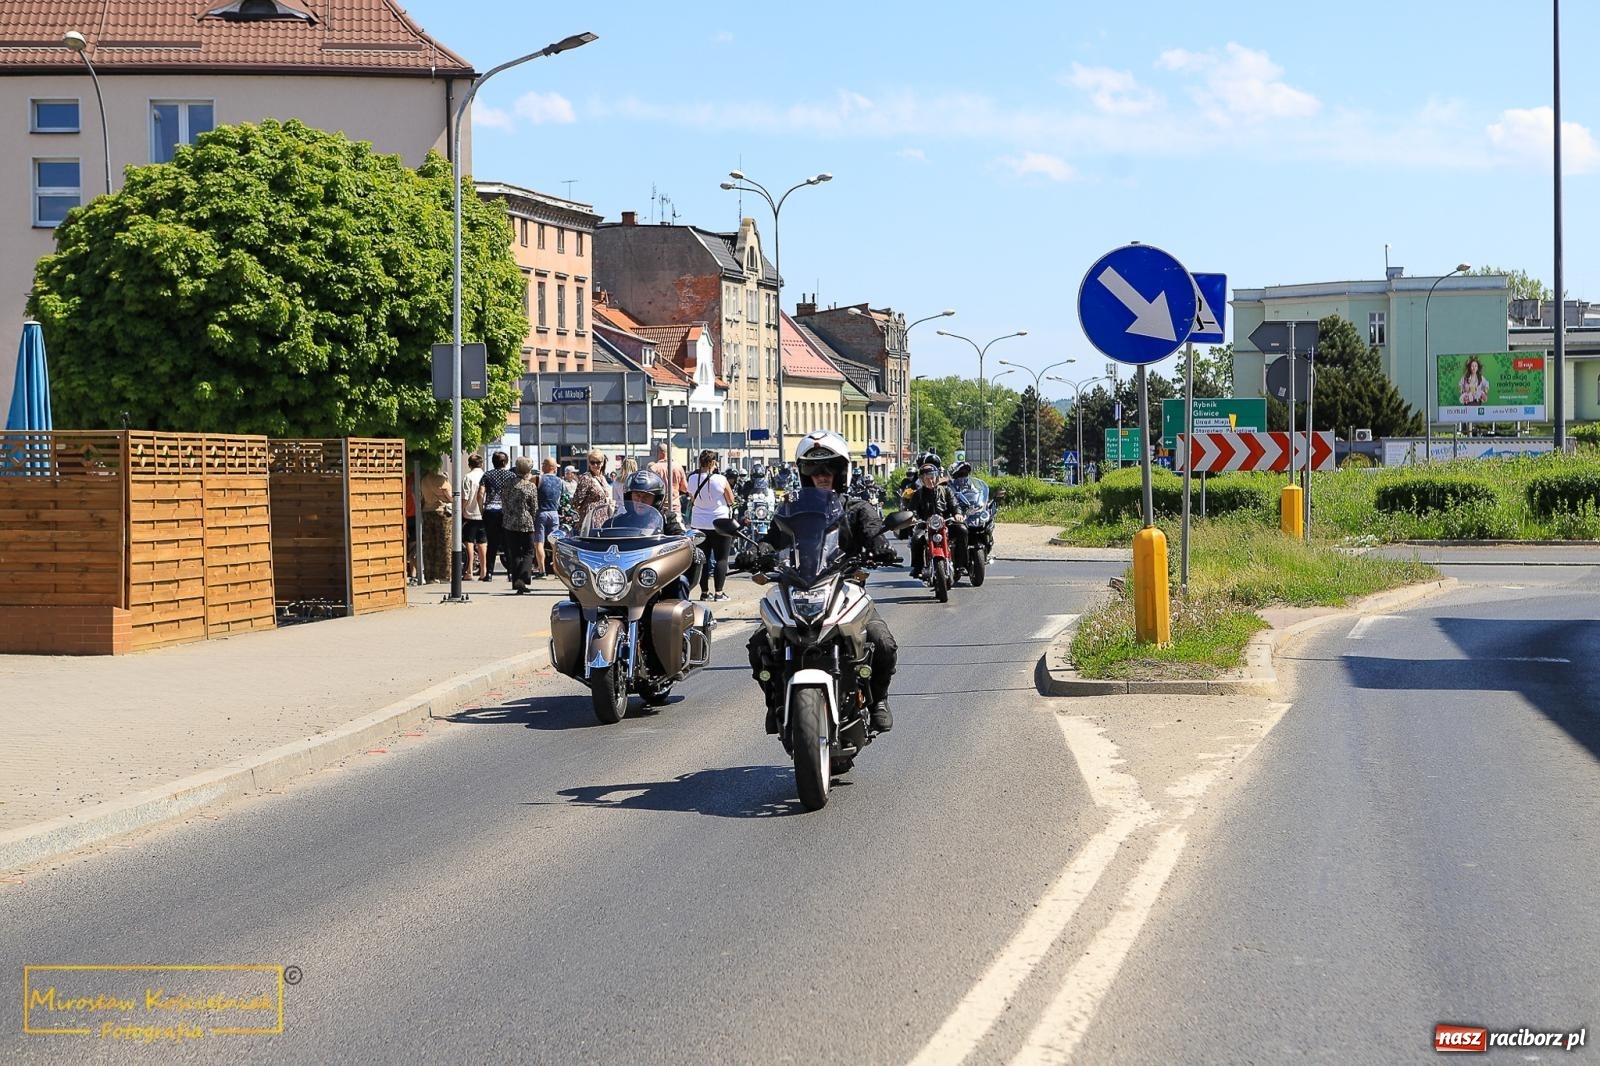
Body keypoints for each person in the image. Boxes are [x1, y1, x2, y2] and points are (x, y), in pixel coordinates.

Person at [746, 430, 898, 735]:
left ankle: (878, 699)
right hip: (800, 586)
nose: (822, 475)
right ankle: (775, 700)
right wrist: (757, 551)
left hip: (846, 587)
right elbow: (772, 538)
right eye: (814, 469)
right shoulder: (791, 508)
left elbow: (873, 530)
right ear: (804, 473)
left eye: (829, 467)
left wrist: (881, 544)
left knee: (883, 643)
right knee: (760, 644)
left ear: (841, 471)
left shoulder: (857, 507)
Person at [686, 449, 737, 602]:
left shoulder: (692, 478)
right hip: (720, 523)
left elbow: (692, 498)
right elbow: (731, 500)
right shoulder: (721, 479)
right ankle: (719, 593)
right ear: (713, 462)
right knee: (721, 559)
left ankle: (704, 592)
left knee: (703, 559)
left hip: (699, 524)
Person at [906, 463, 967, 580]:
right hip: (925, 524)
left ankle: (961, 565)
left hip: (946, 523)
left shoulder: (946, 491)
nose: (930, 479)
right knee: (916, 539)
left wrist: (958, 514)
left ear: (937, 476)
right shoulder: (918, 494)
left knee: (962, 530)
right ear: (922, 479)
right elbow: (912, 510)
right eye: (927, 477)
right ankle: (917, 567)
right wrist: (912, 517)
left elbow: (954, 504)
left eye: (932, 476)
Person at [500, 457, 539, 594]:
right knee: (529, 551)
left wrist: (507, 516)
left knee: (515, 552)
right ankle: (523, 578)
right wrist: (532, 519)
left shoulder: (508, 484)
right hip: (526, 522)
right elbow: (534, 507)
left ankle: (516, 582)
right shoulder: (530, 486)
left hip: (510, 522)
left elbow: (503, 502)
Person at [479, 452, 519, 581]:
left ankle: (489, 573)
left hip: (490, 511)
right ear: (505, 462)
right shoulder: (512, 476)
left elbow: (480, 494)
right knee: (508, 542)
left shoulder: (487, 475)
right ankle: (511, 573)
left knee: (492, 543)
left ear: (493, 462)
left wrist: (482, 509)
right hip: (506, 511)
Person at [533, 458, 564, 580]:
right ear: (553, 467)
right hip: (554, 513)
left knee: (539, 542)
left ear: (544, 466)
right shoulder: (560, 481)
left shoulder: (539, 479)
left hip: (541, 512)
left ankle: (542, 570)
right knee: (554, 542)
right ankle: (557, 570)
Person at [572, 450, 613, 530]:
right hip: (590, 521)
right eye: (592, 462)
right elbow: (575, 501)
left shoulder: (602, 478)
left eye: (598, 462)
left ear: (602, 463)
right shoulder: (586, 478)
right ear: (589, 463)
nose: (595, 465)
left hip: (603, 519)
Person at [648, 442, 691, 520]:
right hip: (675, 506)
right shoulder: (678, 467)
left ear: (660, 453)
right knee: (676, 530)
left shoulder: (654, 468)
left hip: (659, 507)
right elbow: (685, 488)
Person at [461, 454, 487, 580]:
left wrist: (461, 509)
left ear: (469, 464)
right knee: (482, 542)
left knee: (469, 542)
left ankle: (469, 571)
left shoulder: (468, 477)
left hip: (470, 514)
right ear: (481, 464)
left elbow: (465, 498)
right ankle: (484, 571)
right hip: (483, 514)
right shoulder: (486, 476)